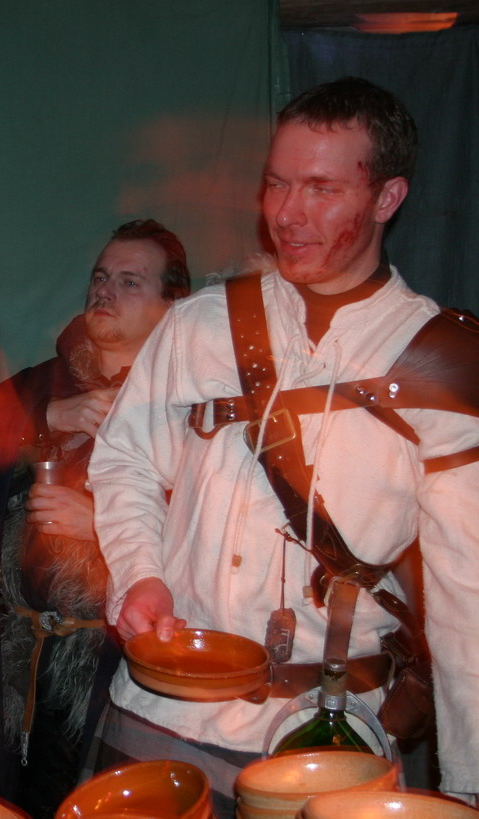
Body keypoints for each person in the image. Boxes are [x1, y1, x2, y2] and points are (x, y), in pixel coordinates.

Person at [90, 76, 479, 813]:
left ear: (387, 197)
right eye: (276, 183)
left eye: (321, 189)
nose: (287, 214)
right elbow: (126, 462)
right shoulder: (200, 325)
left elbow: (471, 595)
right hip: (164, 714)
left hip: (325, 738)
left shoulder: (443, 364)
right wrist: (140, 575)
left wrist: (469, 781)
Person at [0, 220, 189, 816]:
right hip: (7, 665)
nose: (104, 290)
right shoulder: (41, 385)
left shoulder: (188, 405)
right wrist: (48, 416)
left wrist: (102, 527)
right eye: (101, 276)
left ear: (171, 305)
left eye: (130, 281)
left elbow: (215, 536)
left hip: (109, 669)